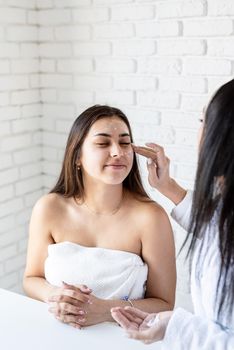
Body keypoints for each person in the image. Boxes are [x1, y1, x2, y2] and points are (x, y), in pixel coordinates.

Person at [23, 105, 176, 329]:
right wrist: (55, 295)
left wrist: (106, 310)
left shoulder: (151, 218)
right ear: (77, 157)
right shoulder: (49, 208)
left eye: (125, 143)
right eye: (103, 143)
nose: (118, 152)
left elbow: (164, 304)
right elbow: (31, 279)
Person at [111, 79, 234, 349]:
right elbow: (218, 226)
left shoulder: (150, 217)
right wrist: (166, 186)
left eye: (203, 120)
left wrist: (175, 326)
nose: (116, 153)